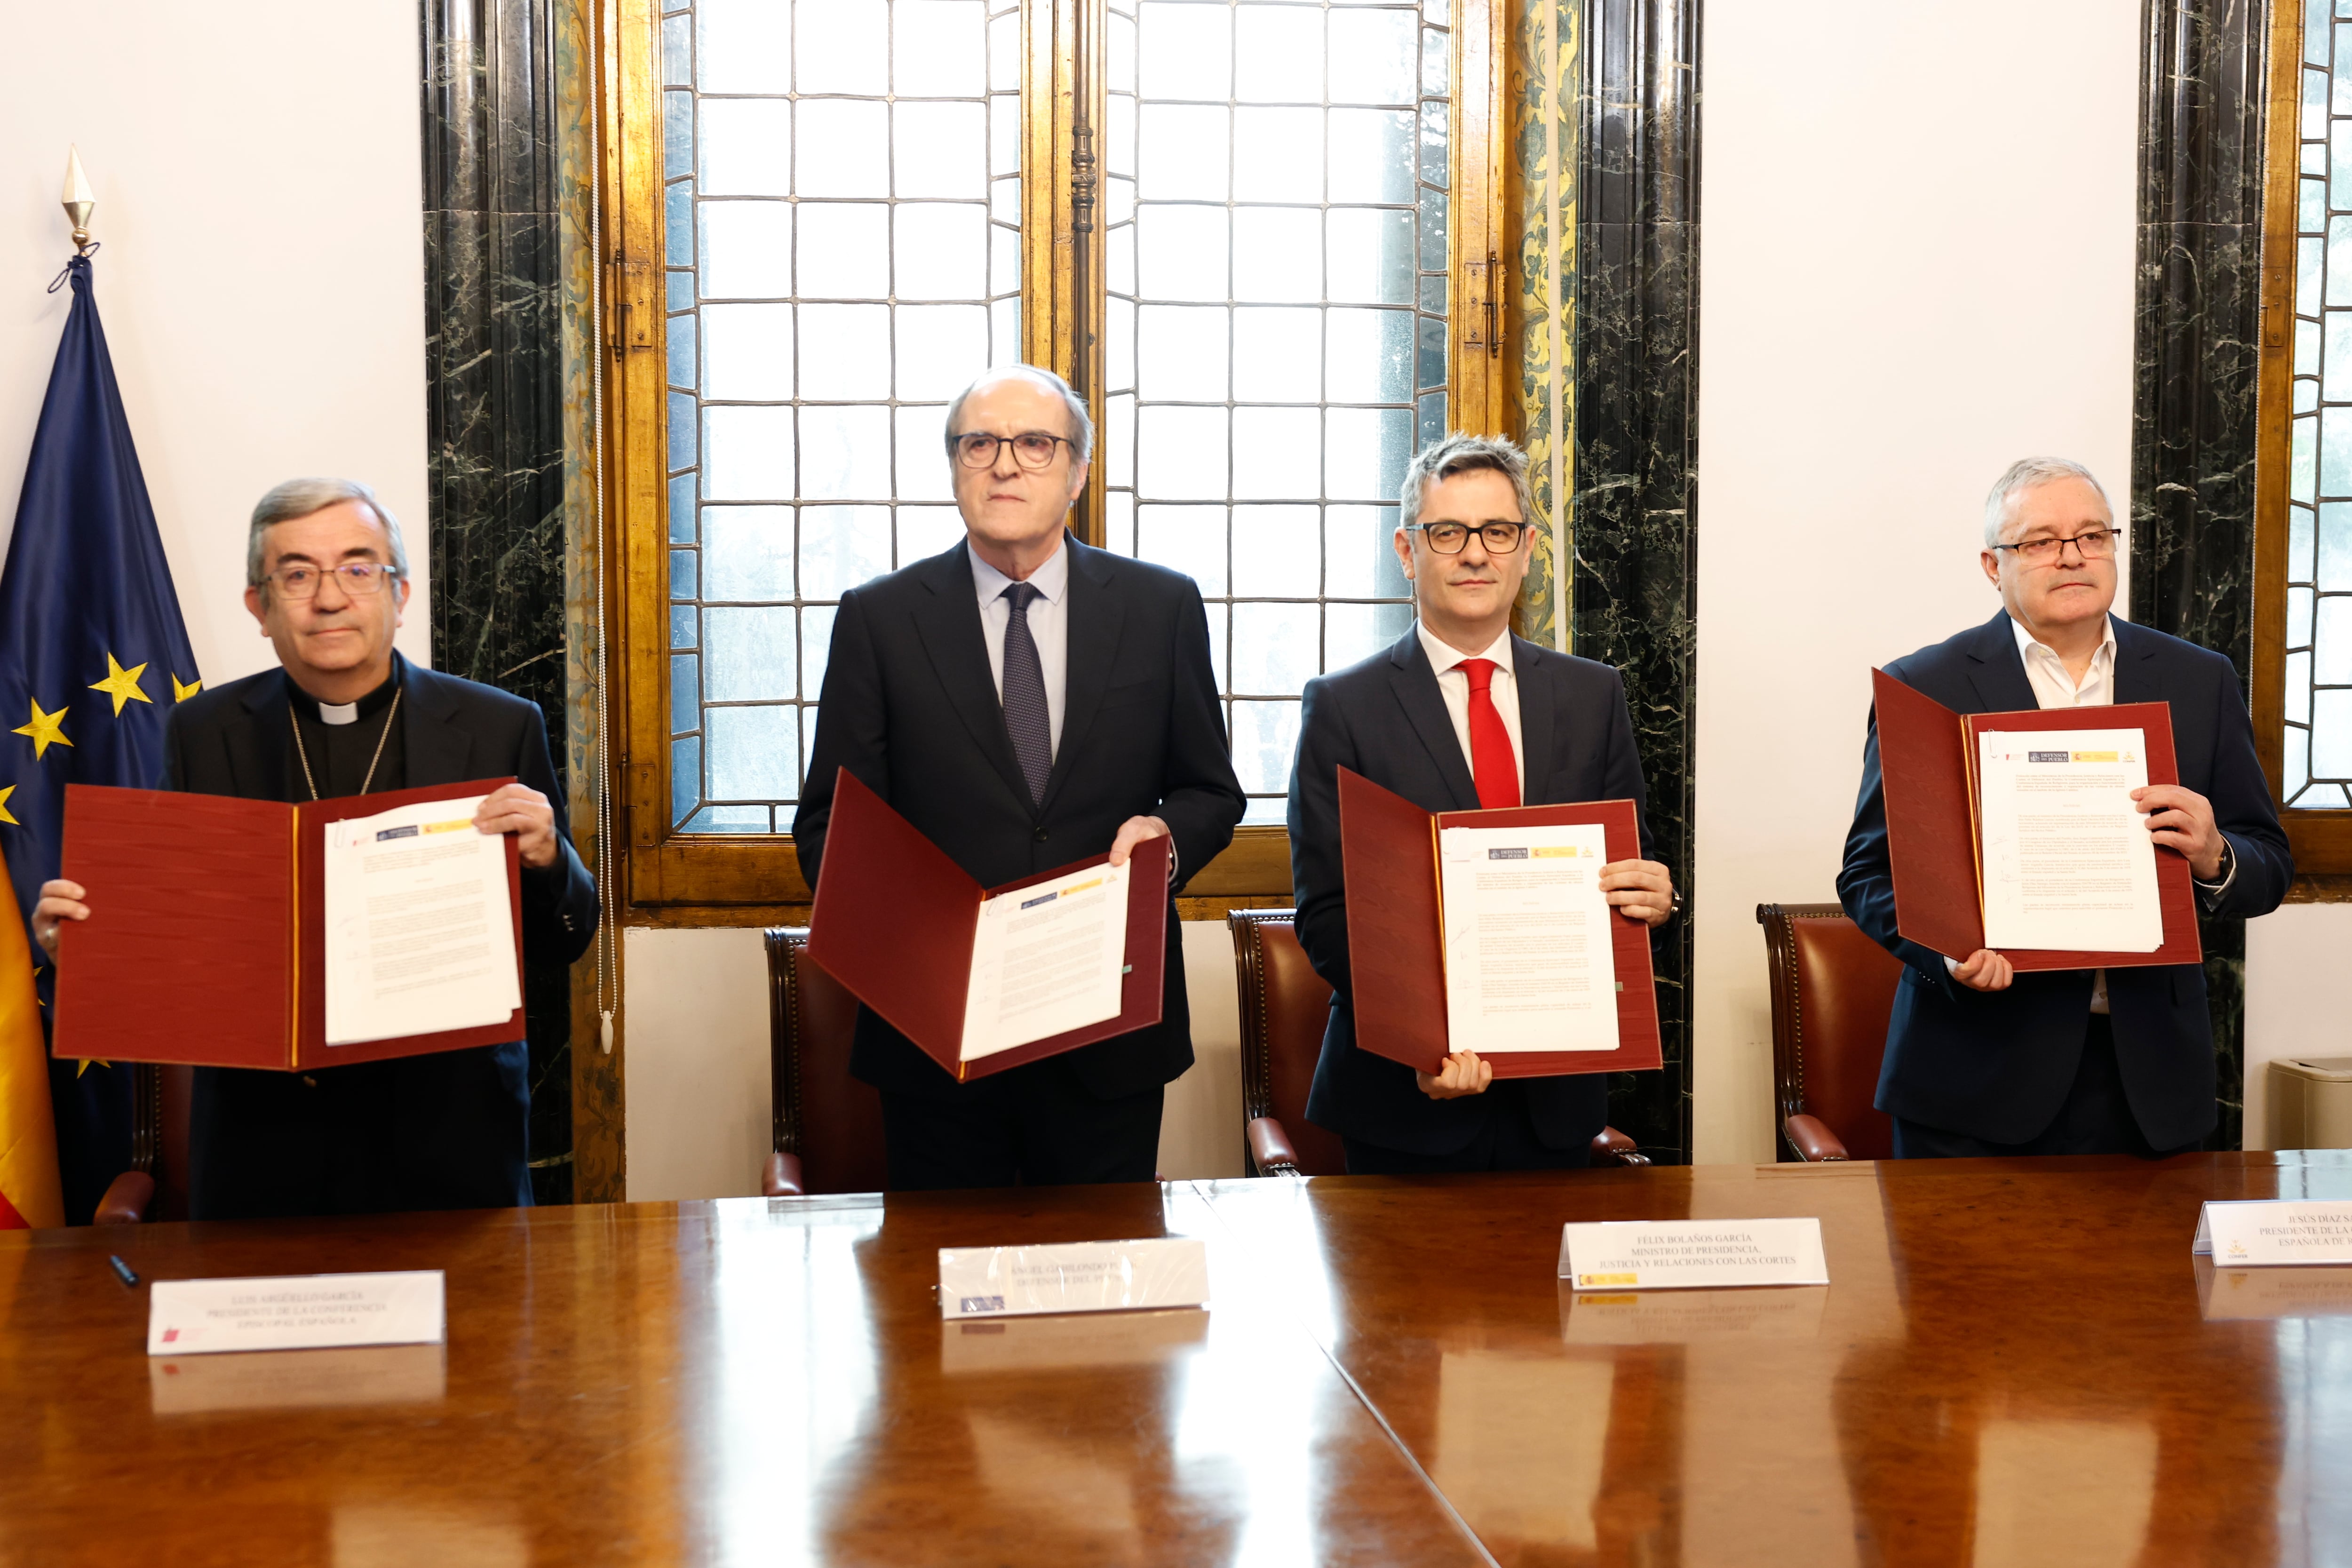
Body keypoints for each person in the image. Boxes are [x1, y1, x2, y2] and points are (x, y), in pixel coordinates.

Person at [32, 478, 595, 1218]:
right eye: (297, 574)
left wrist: (551, 860)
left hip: (450, 1146)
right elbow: (180, 938)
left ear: (400, 595)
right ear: (258, 607)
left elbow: (567, 940)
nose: (330, 597)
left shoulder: (499, 726)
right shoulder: (203, 731)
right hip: (265, 1151)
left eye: (359, 568)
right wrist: (87, 951)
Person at [793, 365, 1244, 1189]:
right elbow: (829, 825)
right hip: (939, 1044)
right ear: (955, 467)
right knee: (943, 1305)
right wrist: (910, 941)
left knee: (1104, 1298)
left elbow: (1213, 791)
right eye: (981, 444)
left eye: (1036, 444)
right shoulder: (880, 618)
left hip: (1108, 1032)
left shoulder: (1161, 607)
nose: (1007, 464)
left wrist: (1165, 840)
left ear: (1077, 473)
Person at [1838, 456, 2291, 1158]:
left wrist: (2215, 854)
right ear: (1994, 565)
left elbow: (2269, 863)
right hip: (1974, 1079)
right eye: (2041, 541)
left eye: (2093, 536)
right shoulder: (1925, 685)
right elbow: (1868, 873)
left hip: (2151, 1085)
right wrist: (1947, 950)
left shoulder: (2199, 680)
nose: (2073, 556)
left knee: (2158, 1275)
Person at [1287, 432, 1675, 1174]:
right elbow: (1330, 914)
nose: (1475, 554)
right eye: (1449, 532)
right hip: (1405, 1100)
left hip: (1557, 1102)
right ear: (1408, 549)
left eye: (1498, 532)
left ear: (1527, 548)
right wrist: (1424, 1039)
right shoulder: (1345, 707)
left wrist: (1652, 894)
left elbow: (1631, 865)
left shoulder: (1594, 695)